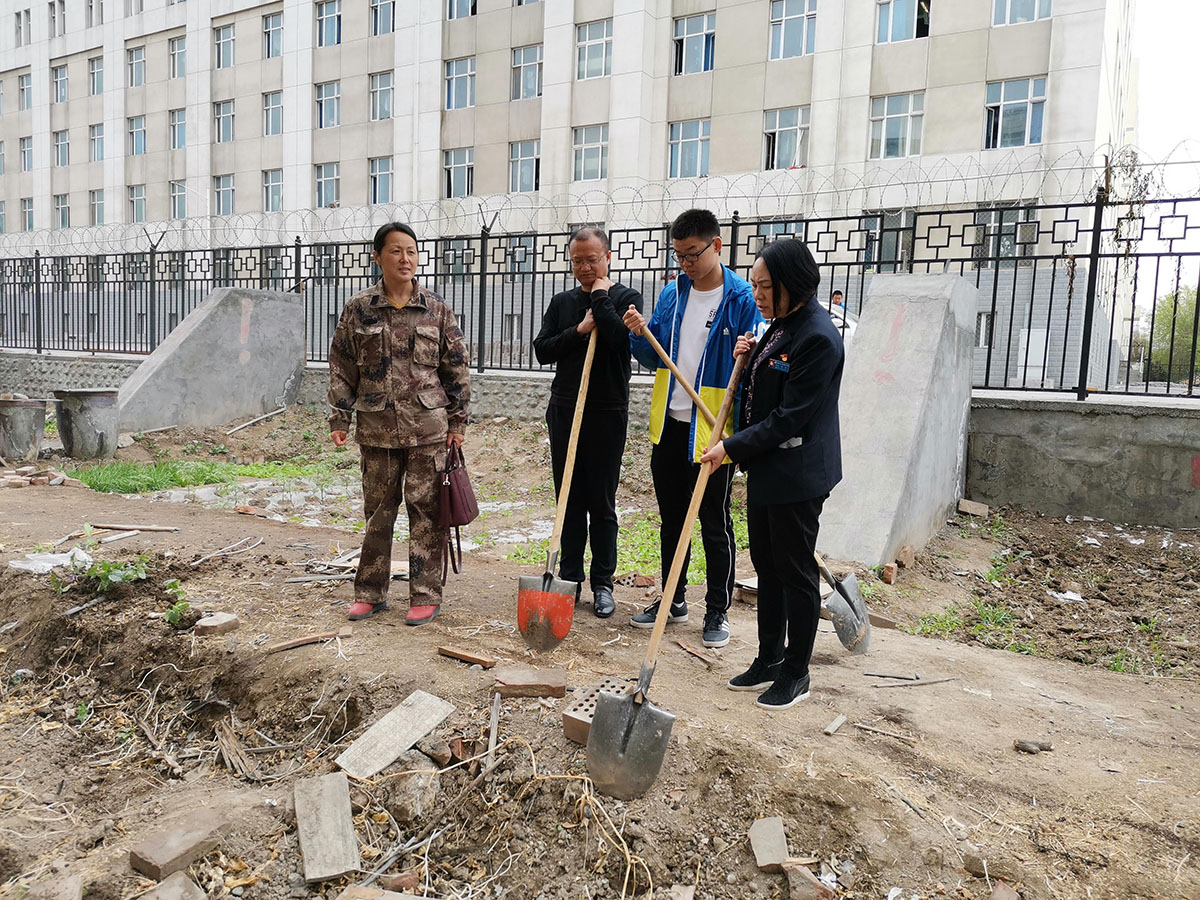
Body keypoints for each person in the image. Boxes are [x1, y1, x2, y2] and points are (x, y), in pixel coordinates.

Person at [700, 238, 844, 709]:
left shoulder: (818, 337)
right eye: (755, 285)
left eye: (765, 286)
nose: (757, 295)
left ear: (791, 285)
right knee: (766, 565)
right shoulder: (781, 325)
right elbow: (765, 386)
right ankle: (769, 658)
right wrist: (749, 355)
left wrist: (729, 447)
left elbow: (788, 417)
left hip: (798, 474)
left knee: (795, 573)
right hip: (767, 468)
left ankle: (796, 673)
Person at [622, 209, 762, 648]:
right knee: (672, 521)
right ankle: (673, 598)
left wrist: (747, 358)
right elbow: (653, 356)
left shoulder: (741, 299)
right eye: (679, 255)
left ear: (716, 245)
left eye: (692, 254)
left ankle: (718, 610)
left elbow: (753, 369)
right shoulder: (673, 293)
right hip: (670, 425)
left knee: (714, 523)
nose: (685, 263)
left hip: (713, 431)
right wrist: (639, 334)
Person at [328, 222, 471, 626]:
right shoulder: (359, 309)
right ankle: (370, 593)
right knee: (378, 514)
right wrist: (340, 416)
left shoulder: (436, 309)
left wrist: (458, 422)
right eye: (396, 251)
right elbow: (342, 365)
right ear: (378, 257)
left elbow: (456, 367)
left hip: (428, 429)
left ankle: (425, 595)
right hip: (376, 428)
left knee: (426, 514)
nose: (405, 259)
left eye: (411, 251)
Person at [533, 227, 644, 618]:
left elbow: (619, 340)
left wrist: (600, 297)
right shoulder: (562, 302)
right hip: (566, 408)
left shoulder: (626, 298)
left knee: (602, 500)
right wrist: (578, 330)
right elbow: (542, 350)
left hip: (607, 411)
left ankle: (602, 583)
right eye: (577, 260)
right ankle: (570, 578)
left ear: (607, 257)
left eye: (592, 260)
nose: (584, 267)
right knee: (569, 497)